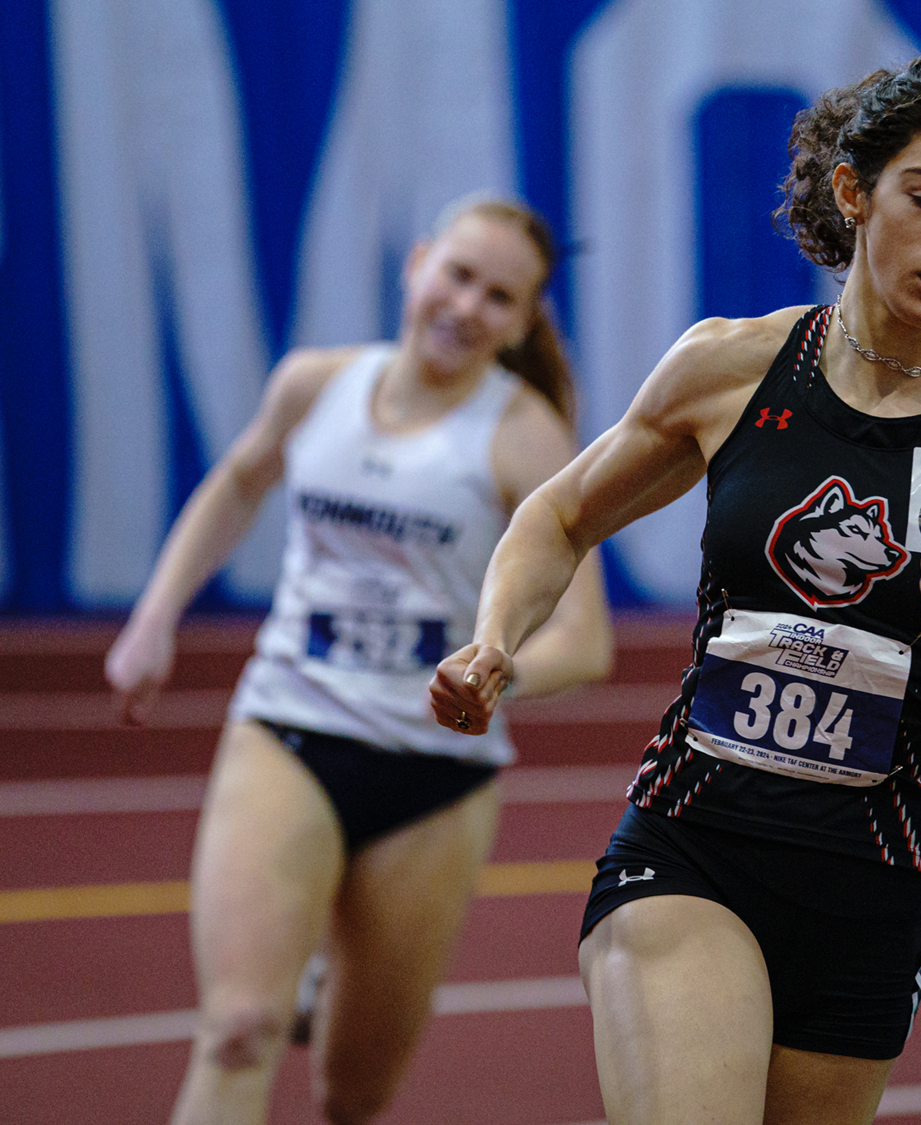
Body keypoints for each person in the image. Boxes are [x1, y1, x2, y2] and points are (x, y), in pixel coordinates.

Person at [430, 52, 921, 1125]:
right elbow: (559, 514)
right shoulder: (730, 368)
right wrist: (494, 636)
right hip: (692, 841)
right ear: (854, 193)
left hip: (877, 885)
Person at [104, 196, 612, 1125]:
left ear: (522, 321)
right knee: (240, 1026)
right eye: (456, 275)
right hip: (289, 727)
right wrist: (155, 617)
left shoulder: (526, 434)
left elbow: (587, 638)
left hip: (433, 777)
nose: (465, 306)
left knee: (352, 1093)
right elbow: (238, 479)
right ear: (417, 263)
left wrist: (496, 670)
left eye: (499, 297)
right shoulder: (316, 384)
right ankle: (280, 982)